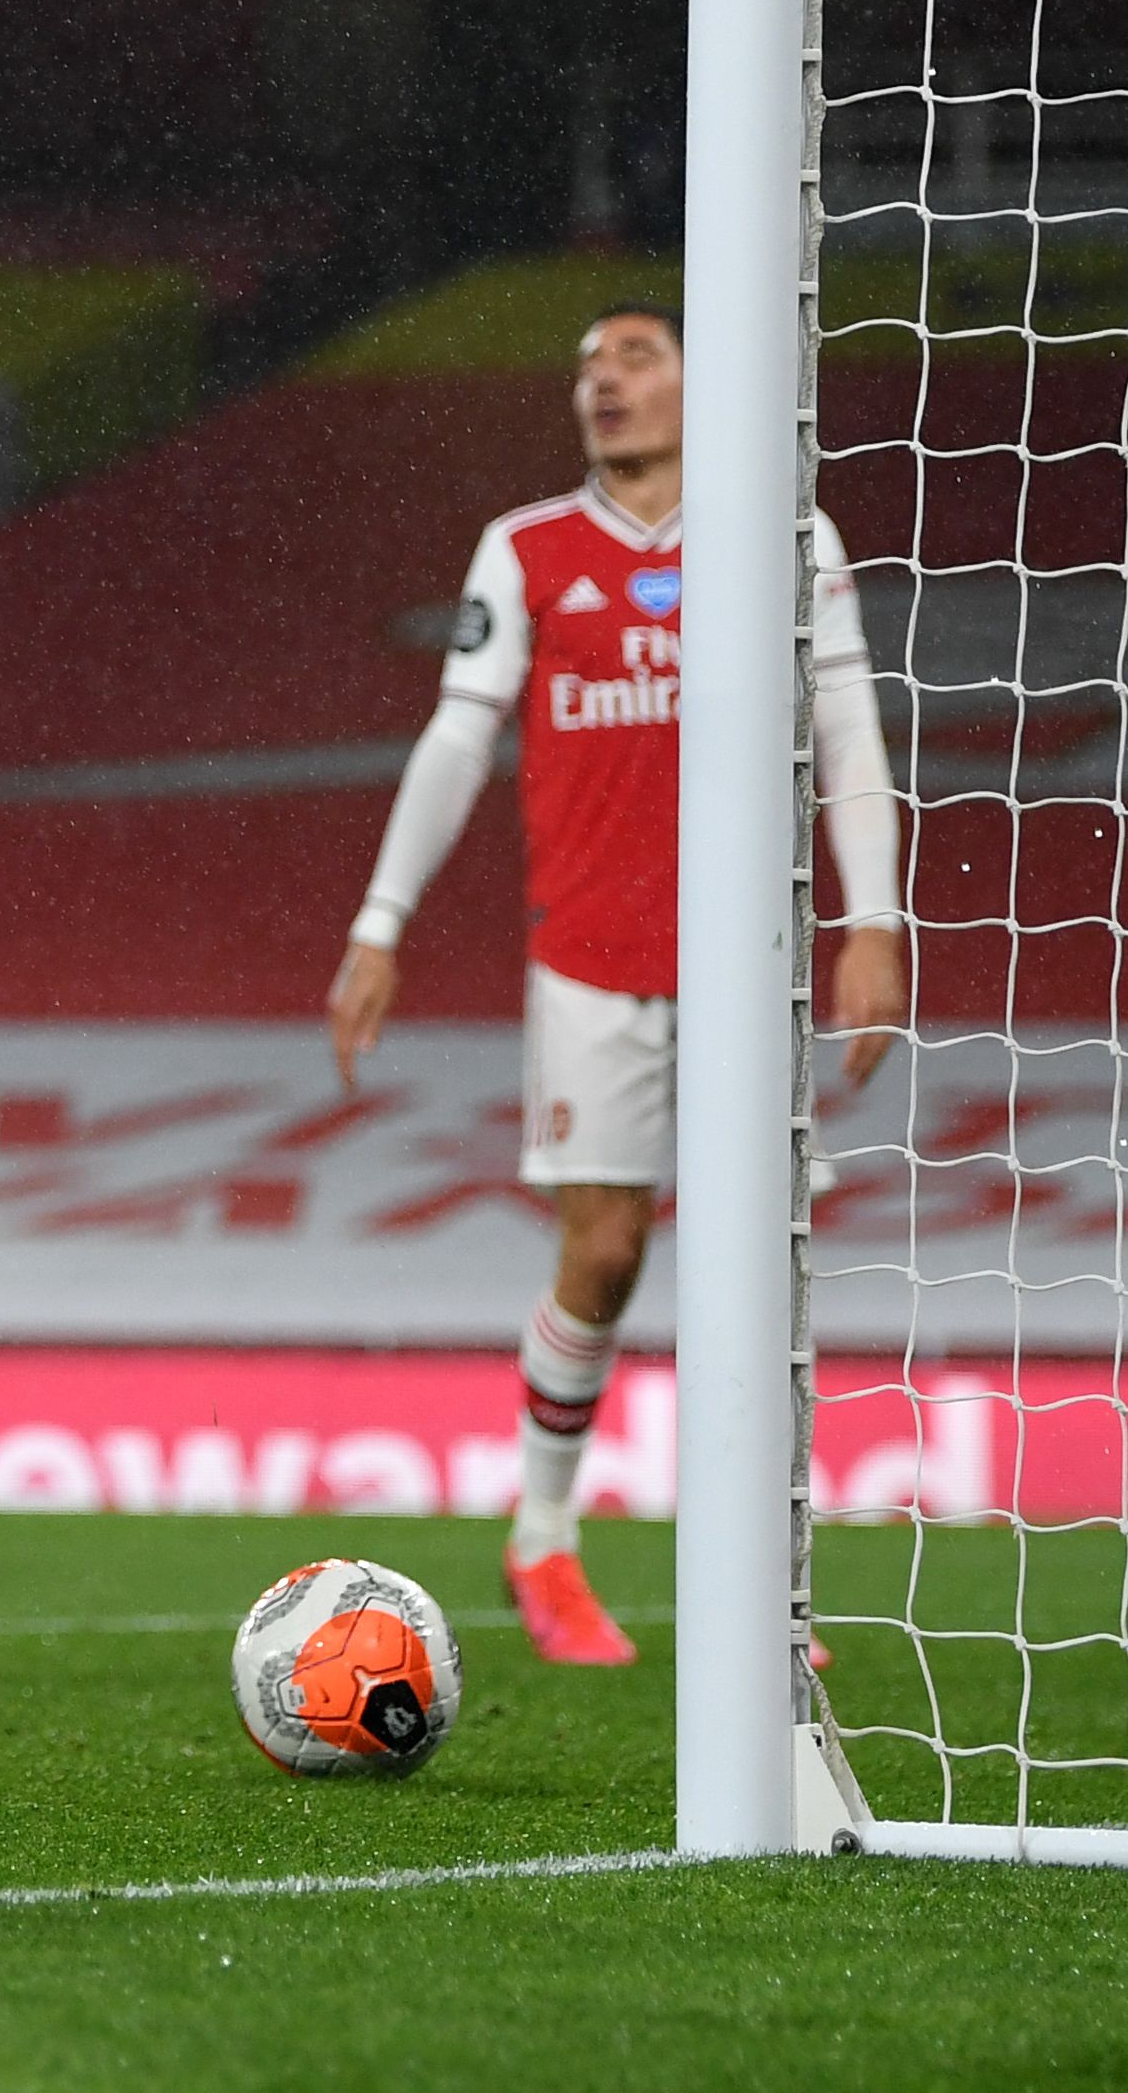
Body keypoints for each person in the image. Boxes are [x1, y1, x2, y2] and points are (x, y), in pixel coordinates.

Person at [329, 303, 904, 1667]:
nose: (608, 382)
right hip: (587, 959)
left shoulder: (784, 537)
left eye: (639, 358)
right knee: (604, 1250)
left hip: (752, 969)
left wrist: (875, 918)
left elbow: (849, 728)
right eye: (588, 366)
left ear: (705, 384)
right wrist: (379, 919)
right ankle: (542, 1536)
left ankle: (773, 1582)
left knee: (768, 1266)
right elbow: (459, 739)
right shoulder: (529, 549)